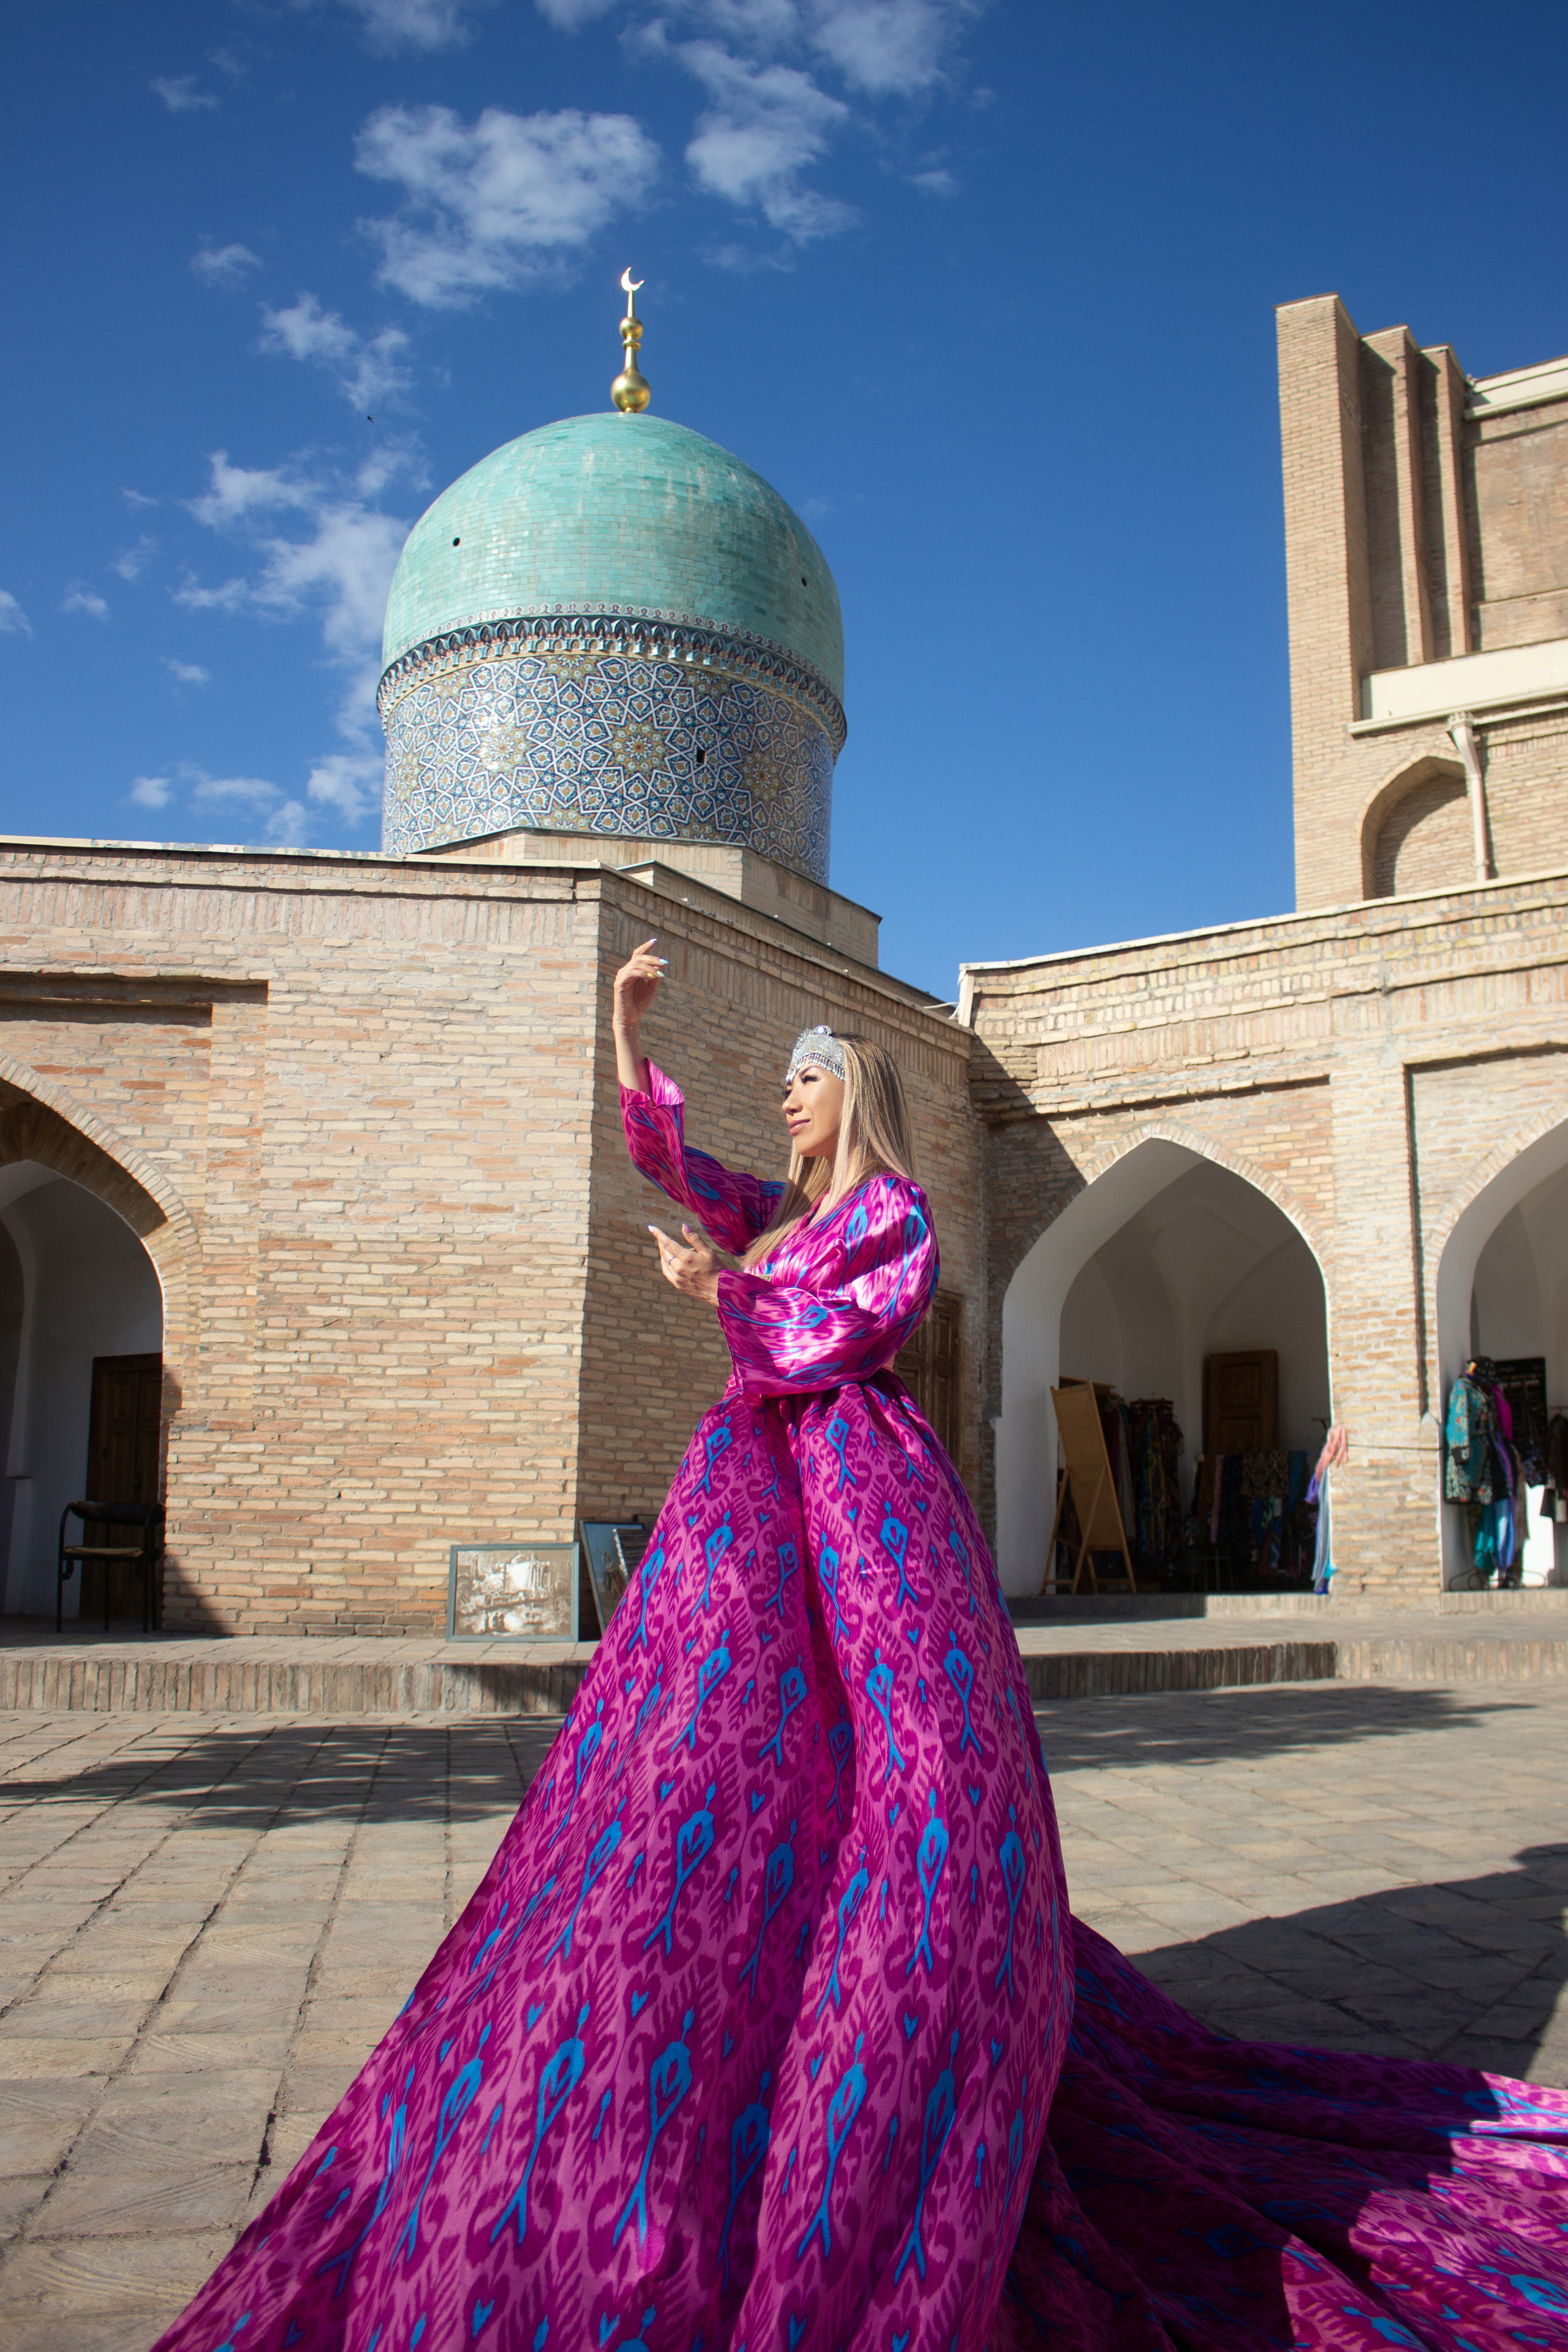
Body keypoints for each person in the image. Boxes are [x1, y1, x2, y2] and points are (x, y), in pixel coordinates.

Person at [154, 940, 1568, 2352]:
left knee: (904, 1771)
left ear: (859, 1089)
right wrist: (618, 1019)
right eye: (779, 1081)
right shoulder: (776, 1209)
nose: (784, 1099)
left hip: (860, 1505)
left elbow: (837, 1331)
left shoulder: (889, 1208)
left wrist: (713, 1287)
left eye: (805, 1078)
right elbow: (668, 1164)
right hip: (748, 1510)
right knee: (707, 1775)